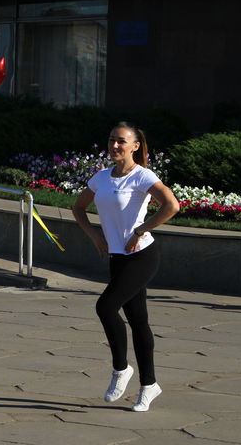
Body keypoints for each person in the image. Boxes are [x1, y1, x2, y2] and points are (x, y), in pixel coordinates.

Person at [72, 122, 179, 412]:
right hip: (118, 257)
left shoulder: (142, 176)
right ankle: (149, 386)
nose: (115, 146)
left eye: (121, 141)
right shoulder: (102, 177)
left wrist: (140, 230)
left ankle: (121, 369)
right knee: (138, 320)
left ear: (135, 146)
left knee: (105, 307)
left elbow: (171, 205)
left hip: (142, 256)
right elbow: (78, 207)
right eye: (111, 140)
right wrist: (95, 235)